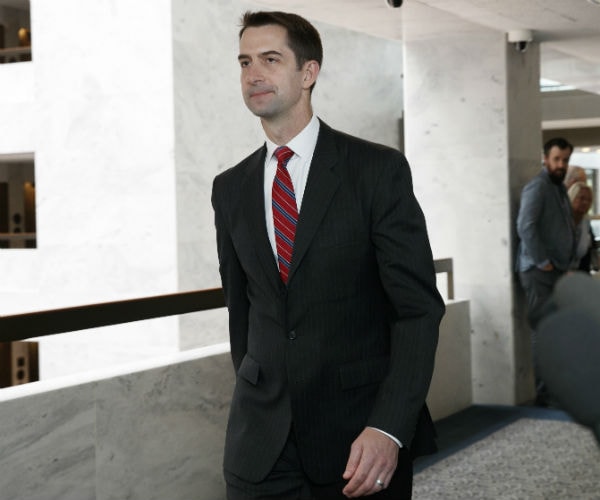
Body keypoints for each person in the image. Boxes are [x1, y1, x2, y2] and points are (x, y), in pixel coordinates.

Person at [211, 10, 444, 500]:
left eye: (271, 59)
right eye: (245, 61)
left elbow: (417, 311)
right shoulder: (230, 189)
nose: (253, 74)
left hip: (359, 443)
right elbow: (242, 309)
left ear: (308, 72)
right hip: (260, 447)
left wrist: (389, 427)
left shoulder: (376, 171)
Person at [516, 137, 576, 406]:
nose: (561, 164)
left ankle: (554, 389)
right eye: (556, 159)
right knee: (543, 331)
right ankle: (544, 394)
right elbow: (525, 226)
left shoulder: (559, 188)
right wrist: (543, 262)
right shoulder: (538, 186)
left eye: (565, 159)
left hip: (556, 271)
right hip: (538, 272)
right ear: (545, 158)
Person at [567, 181, 597, 272]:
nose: (585, 203)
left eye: (589, 200)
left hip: (579, 272)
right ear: (572, 197)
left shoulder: (586, 222)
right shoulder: (562, 220)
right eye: (581, 198)